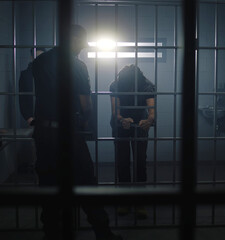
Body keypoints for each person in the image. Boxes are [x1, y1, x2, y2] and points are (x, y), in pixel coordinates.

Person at [32, 24, 122, 240]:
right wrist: (84, 124)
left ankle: (52, 234)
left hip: (43, 133)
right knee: (87, 183)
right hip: (67, 133)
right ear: (73, 39)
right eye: (82, 41)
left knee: (49, 185)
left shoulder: (39, 62)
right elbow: (86, 105)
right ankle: (103, 234)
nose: (83, 46)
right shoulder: (76, 65)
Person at [109, 64, 155, 219]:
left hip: (140, 124)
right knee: (122, 161)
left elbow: (152, 112)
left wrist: (149, 120)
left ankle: (139, 201)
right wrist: (121, 119)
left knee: (140, 161)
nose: (129, 90)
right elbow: (115, 111)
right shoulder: (116, 85)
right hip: (121, 124)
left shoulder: (147, 86)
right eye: (127, 87)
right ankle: (124, 200)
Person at [19, 47, 46, 126]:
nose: (40, 59)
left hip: (50, 117)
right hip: (34, 117)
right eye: (37, 57)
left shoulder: (51, 73)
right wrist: (28, 118)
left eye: (42, 57)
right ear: (31, 58)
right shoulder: (25, 75)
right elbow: (22, 98)